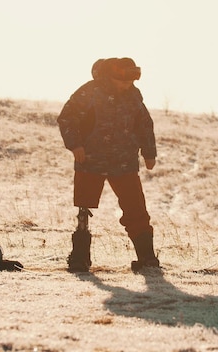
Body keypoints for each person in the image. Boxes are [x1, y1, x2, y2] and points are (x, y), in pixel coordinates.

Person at [57, 57, 160, 273]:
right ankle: (79, 259)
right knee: (84, 209)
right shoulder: (90, 91)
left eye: (132, 80)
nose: (128, 84)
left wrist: (149, 152)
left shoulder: (134, 95)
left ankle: (147, 259)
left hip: (125, 163)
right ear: (110, 76)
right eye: (124, 80)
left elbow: (144, 124)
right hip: (90, 160)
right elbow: (67, 117)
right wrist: (75, 145)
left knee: (136, 209)